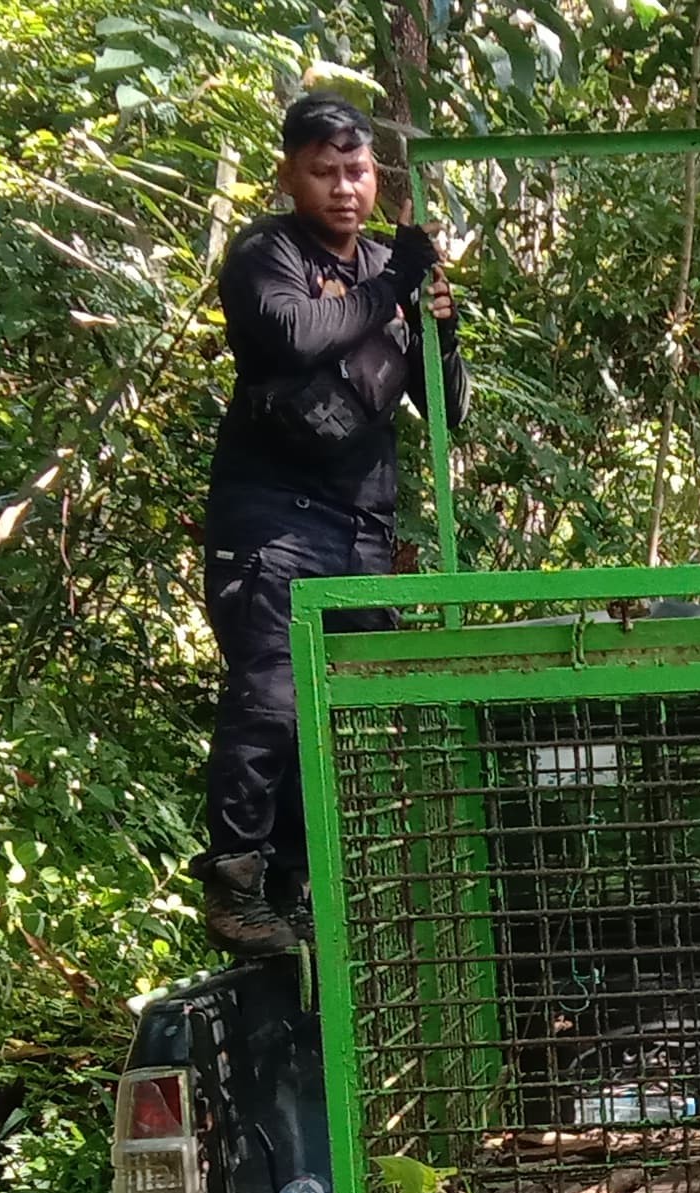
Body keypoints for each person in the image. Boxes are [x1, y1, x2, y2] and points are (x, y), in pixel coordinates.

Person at [195, 93, 465, 955]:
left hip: (361, 529)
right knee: (274, 697)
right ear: (290, 175)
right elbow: (295, 333)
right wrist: (392, 287)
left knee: (342, 722)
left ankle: (298, 890)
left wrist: (441, 330)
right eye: (324, 171)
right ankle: (236, 880)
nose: (344, 188)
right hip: (273, 520)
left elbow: (447, 410)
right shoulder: (266, 253)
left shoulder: (389, 262)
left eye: (356, 170)